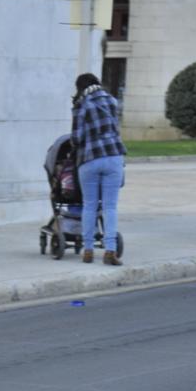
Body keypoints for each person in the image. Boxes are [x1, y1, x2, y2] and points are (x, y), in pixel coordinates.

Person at [71, 73, 126, 265]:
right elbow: (116, 130)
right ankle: (110, 250)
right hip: (114, 157)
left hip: (90, 159)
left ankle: (88, 250)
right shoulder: (111, 100)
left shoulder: (82, 104)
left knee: (90, 205)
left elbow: (77, 138)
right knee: (110, 207)